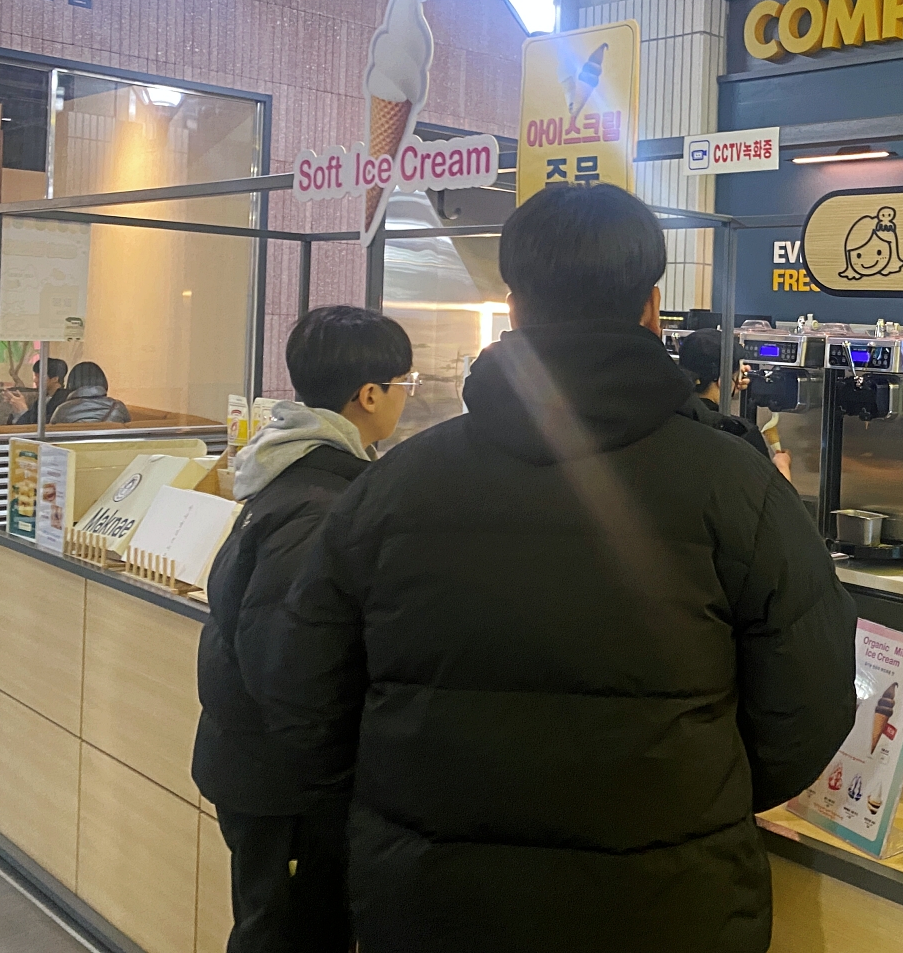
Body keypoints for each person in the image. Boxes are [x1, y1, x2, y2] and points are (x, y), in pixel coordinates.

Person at [252, 185, 857, 953]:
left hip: (434, 906)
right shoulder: (740, 488)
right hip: (668, 908)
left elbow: (302, 695)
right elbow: (810, 709)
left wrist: (400, 808)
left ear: (514, 307)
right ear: (652, 308)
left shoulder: (391, 488)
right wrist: (701, 788)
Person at [193, 305, 414, 953]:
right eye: (405, 382)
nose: (407, 396)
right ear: (369, 394)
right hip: (284, 785)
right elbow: (287, 666)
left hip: (262, 768)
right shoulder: (321, 505)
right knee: (288, 936)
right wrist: (334, 783)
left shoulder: (289, 469)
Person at [676, 326, 789, 473]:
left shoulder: (668, 418)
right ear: (722, 380)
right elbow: (771, 487)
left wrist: (731, 381)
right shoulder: (740, 433)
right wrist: (782, 465)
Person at [48, 361, 129, 423]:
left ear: (71, 383)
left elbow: (52, 434)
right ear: (103, 381)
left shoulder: (62, 410)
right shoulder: (117, 407)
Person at [10, 357, 69, 425]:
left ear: (55, 379)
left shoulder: (64, 401)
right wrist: (17, 410)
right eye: (35, 376)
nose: (35, 380)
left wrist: (23, 409)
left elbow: (42, 427)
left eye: (39, 377)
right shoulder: (42, 399)